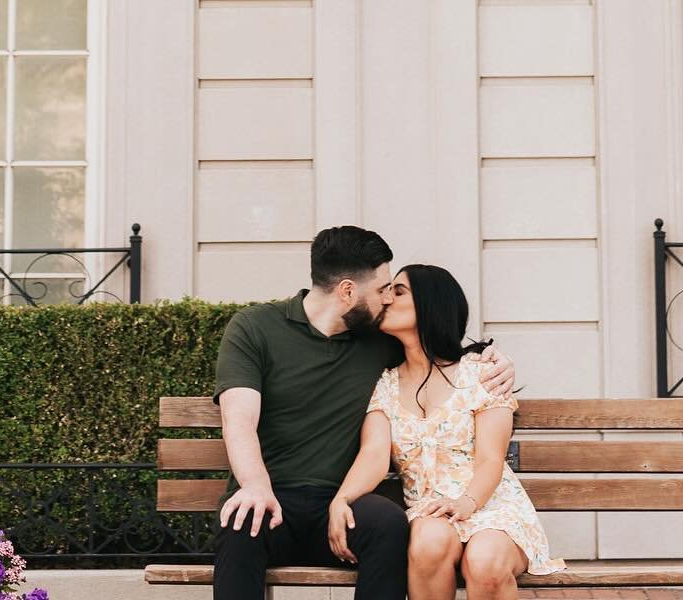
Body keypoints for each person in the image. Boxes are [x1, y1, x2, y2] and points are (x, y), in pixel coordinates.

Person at [213, 226, 516, 600]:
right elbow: (239, 420)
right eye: (382, 289)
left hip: (342, 502)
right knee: (243, 518)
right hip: (272, 495)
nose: (388, 298)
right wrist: (256, 485)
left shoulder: (379, 340)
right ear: (347, 291)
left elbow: (437, 354)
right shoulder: (255, 327)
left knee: (386, 523)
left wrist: (495, 360)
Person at [328, 264, 562, 600]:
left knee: (486, 564)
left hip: (490, 506)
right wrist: (342, 499)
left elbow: (490, 458)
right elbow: (374, 455)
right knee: (427, 544)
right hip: (430, 511)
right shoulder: (386, 384)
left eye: (399, 291)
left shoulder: (482, 373)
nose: (387, 299)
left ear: (431, 303)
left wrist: (467, 502)